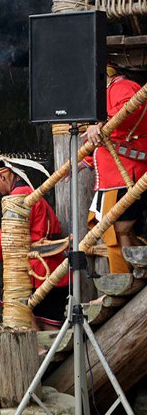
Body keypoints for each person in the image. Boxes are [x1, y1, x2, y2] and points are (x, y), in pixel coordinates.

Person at [0, 152, 69, 330]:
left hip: (39, 272)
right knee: (51, 330)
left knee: (16, 306)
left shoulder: (19, 197)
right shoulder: (31, 194)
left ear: (2, 176)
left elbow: (6, 238)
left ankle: (41, 356)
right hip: (54, 271)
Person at [83, 63, 147, 274]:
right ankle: (128, 275)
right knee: (114, 230)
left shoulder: (122, 86)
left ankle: (130, 274)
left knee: (119, 229)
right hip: (113, 176)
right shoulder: (112, 90)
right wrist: (84, 163)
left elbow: (132, 109)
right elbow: (111, 140)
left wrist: (102, 123)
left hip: (126, 173)